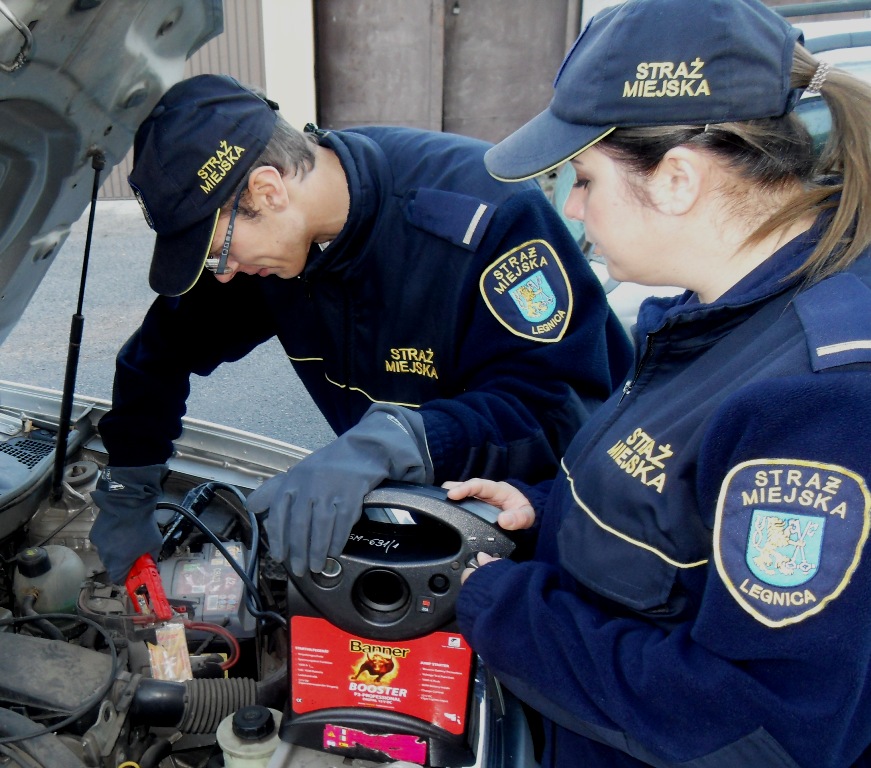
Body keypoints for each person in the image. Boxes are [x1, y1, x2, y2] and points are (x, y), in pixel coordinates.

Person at [445, 0, 871, 766]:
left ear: (676, 179)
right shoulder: (714, 316)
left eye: (582, 180)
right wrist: (546, 516)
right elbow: (684, 526)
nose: (572, 211)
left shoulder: (816, 400)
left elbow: (757, 726)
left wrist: (502, 609)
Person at [89, 74, 632, 583]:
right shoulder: (262, 251)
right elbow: (160, 353)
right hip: (411, 514)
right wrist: (129, 485)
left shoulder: (483, 218)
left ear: (268, 190)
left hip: (554, 519)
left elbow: (560, 409)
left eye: (218, 252)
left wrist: (400, 439)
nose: (223, 273)